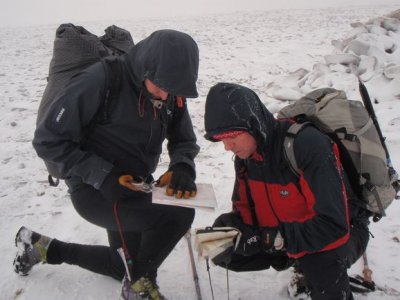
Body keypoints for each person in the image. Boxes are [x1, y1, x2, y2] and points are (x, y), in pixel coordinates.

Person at [13, 29, 200, 300]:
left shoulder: (168, 88)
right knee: (178, 215)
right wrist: (102, 175)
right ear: (145, 68)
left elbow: (184, 139)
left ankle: (42, 247)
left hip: (133, 187)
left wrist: (182, 166)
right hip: (95, 191)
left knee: (123, 264)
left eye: (171, 90)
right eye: (159, 87)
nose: (164, 95)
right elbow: (47, 141)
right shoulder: (101, 80)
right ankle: (139, 287)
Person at [203, 82, 370, 299]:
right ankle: (297, 261)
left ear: (253, 125)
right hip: (288, 235)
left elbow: (333, 226)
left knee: (319, 262)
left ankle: (322, 278)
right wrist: (229, 229)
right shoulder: (247, 159)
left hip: (345, 230)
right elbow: (246, 213)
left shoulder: (305, 145)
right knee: (221, 248)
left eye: (232, 136)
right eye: (221, 140)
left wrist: (273, 239)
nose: (227, 146)